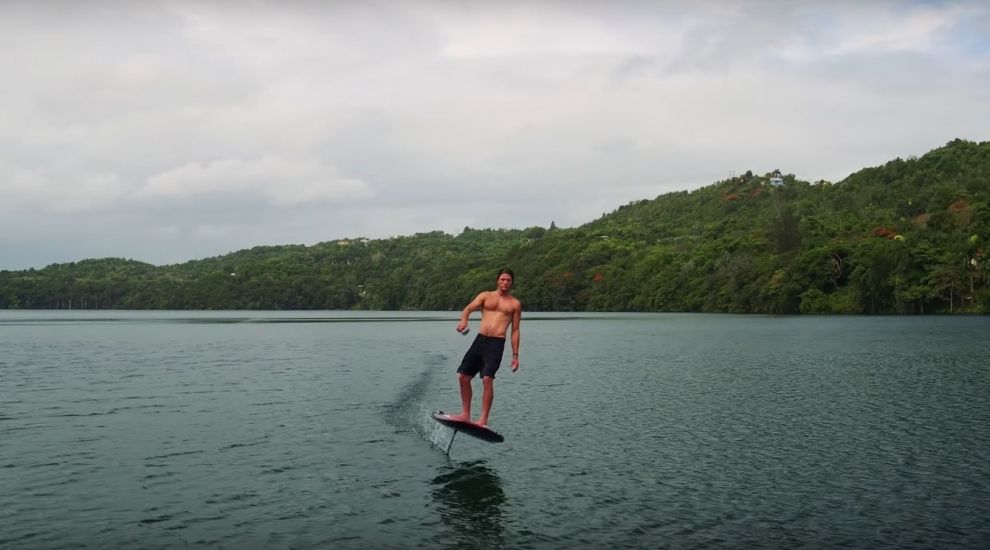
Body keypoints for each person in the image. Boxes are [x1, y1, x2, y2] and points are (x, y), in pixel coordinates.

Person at [449, 268, 522, 427]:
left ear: (512, 283)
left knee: (487, 378)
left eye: (508, 280)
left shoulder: (514, 304)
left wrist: (515, 356)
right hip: (480, 340)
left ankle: (483, 420)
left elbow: (515, 330)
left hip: (496, 343)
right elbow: (468, 309)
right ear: (497, 280)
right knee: (463, 376)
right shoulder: (485, 296)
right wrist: (463, 321)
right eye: (502, 279)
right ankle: (465, 414)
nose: (505, 282)